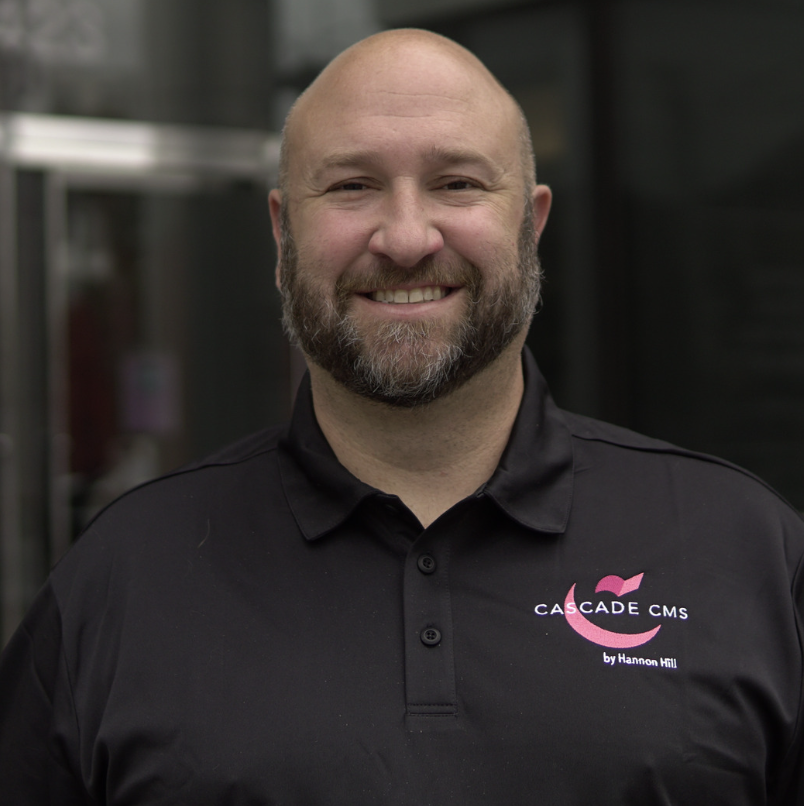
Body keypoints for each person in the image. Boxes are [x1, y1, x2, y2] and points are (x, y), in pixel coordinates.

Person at [1, 28, 803, 805]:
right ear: (282, 237)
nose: (409, 238)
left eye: (457, 183)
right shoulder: (123, 578)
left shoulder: (745, 553)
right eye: (352, 185)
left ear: (533, 223)